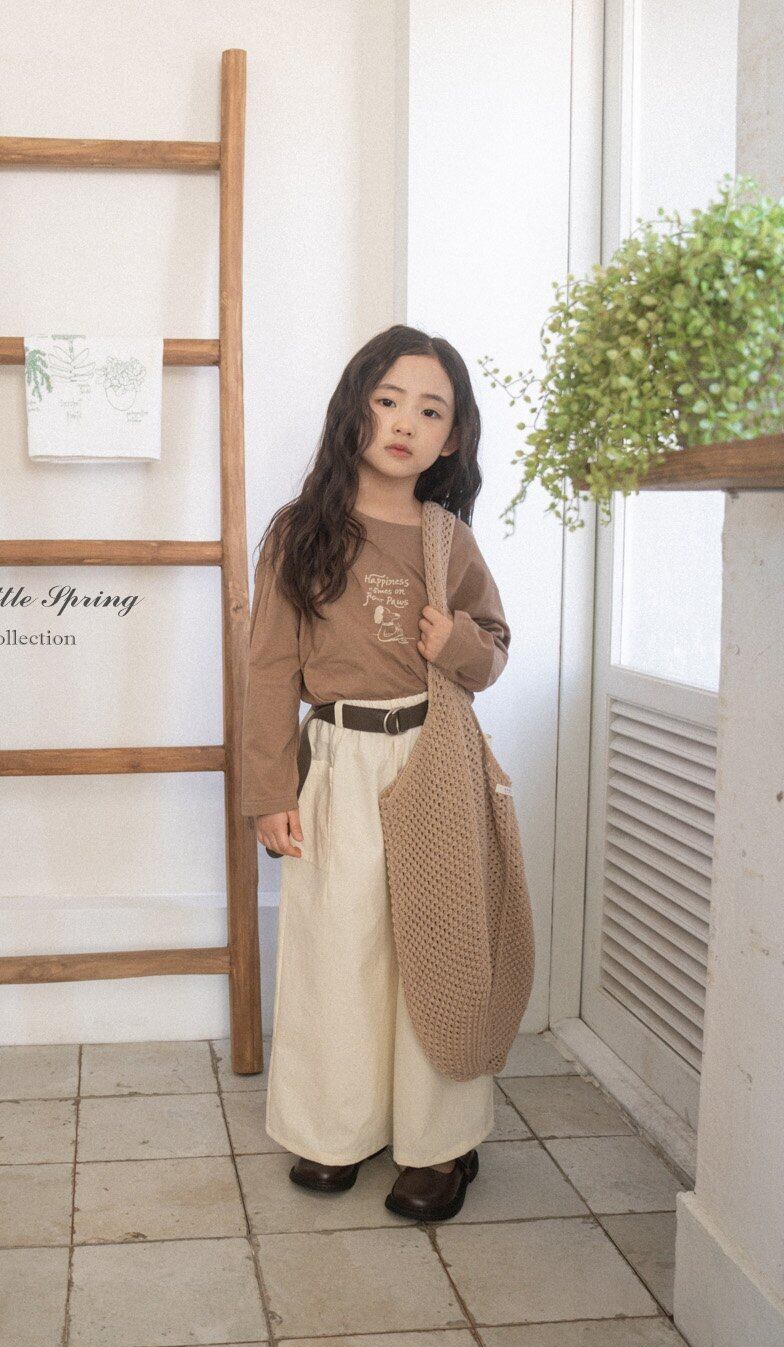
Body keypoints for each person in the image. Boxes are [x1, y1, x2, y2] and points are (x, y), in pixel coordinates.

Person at [240, 323, 512, 1223]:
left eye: (430, 411)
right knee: (337, 949)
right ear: (354, 408)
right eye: (388, 399)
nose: (404, 422)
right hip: (337, 761)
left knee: (438, 948)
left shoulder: (448, 541)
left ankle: (443, 1143)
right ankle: (335, 1128)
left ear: (453, 437)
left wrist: (456, 641)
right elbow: (269, 670)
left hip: (432, 757)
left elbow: (492, 650)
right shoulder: (301, 534)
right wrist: (270, 793)